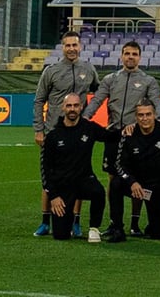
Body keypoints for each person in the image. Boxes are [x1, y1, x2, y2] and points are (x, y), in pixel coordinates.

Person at [83, 41, 160, 239]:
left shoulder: (148, 81)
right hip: (114, 135)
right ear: (121, 56)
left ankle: (135, 222)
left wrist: (156, 124)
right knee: (113, 179)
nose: (130, 57)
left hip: (135, 137)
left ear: (140, 57)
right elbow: (97, 100)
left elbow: (157, 104)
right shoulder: (111, 79)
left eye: (134, 54)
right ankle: (115, 222)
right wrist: (85, 118)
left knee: (137, 179)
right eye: (127, 53)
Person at [33, 30, 99, 237]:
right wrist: (39, 129)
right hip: (53, 132)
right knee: (49, 176)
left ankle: (76, 222)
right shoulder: (51, 71)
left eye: (75, 45)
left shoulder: (88, 69)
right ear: (63, 47)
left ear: (80, 47)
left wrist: (88, 114)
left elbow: (98, 92)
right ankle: (45, 221)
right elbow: (39, 100)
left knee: (78, 176)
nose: (71, 49)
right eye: (68, 45)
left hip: (78, 132)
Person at [40, 93, 115, 242]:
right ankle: (65, 223)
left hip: (84, 181)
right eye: (69, 106)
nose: (72, 109)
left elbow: (112, 137)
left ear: (81, 107)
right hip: (63, 187)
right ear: (63, 108)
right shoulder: (54, 135)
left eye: (75, 105)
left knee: (99, 192)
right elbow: (45, 169)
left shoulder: (89, 128)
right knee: (61, 235)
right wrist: (53, 196)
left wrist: (130, 129)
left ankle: (94, 228)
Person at [110, 99, 160, 241]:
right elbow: (119, 165)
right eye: (141, 115)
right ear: (136, 117)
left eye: (148, 114)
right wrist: (132, 182)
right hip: (136, 186)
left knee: (157, 234)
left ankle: (154, 224)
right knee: (116, 183)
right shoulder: (129, 135)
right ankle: (117, 228)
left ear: (154, 115)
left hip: (159, 189)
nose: (144, 118)